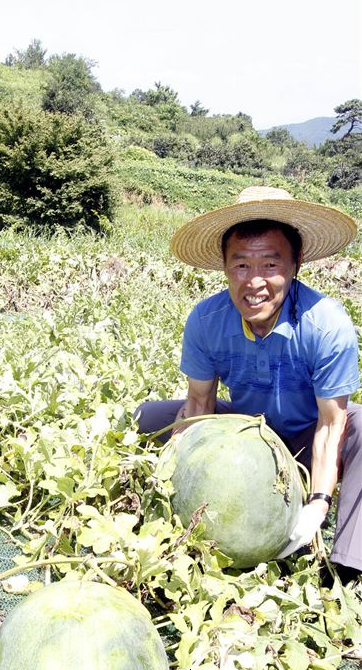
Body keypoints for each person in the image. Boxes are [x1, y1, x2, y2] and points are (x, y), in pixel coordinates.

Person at [135, 186, 361, 577]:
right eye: (241, 265)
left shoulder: (326, 325)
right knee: (149, 417)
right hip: (243, 428)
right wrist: (175, 473)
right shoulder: (207, 320)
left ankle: (348, 560)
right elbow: (200, 405)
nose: (254, 282)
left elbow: (330, 424)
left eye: (270, 265)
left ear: (295, 264)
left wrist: (319, 501)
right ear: (224, 267)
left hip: (307, 434)